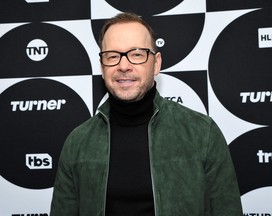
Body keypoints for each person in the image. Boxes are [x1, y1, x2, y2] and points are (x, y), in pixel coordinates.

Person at [50, 12, 243, 215]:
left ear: (156, 63)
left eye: (136, 54)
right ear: (102, 66)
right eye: (113, 56)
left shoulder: (203, 134)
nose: (123, 66)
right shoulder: (77, 143)